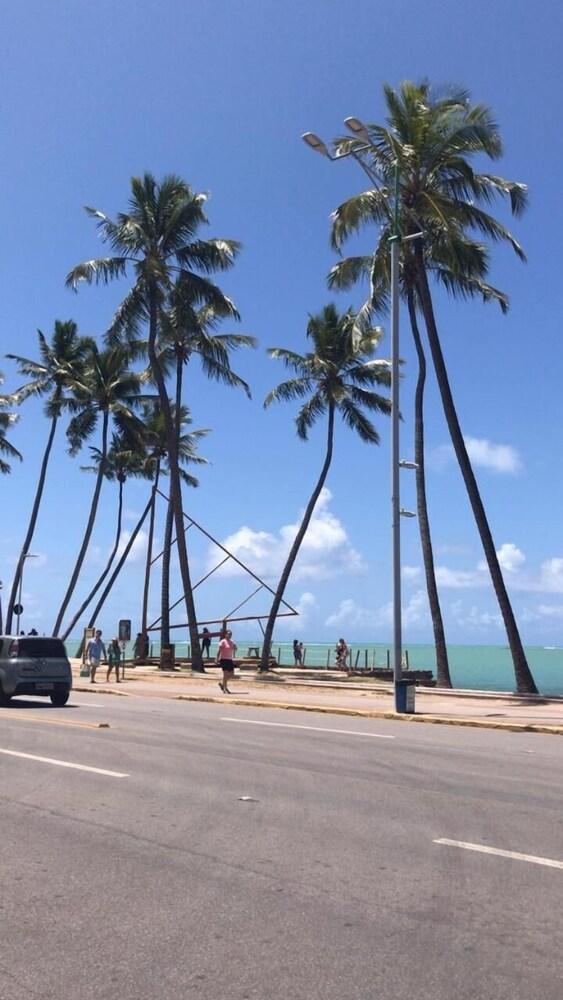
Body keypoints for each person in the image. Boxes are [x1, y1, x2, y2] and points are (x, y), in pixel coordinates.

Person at [216, 628, 237, 694]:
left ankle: (222, 684)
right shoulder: (223, 641)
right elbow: (219, 651)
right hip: (223, 659)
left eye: (231, 634)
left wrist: (235, 647)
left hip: (229, 659)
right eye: (228, 634)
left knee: (232, 674)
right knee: (225, 674)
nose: (230, 635)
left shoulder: (232, 642)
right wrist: (216, 658)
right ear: (226, 635)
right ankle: (225, 688)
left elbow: (235, 649)